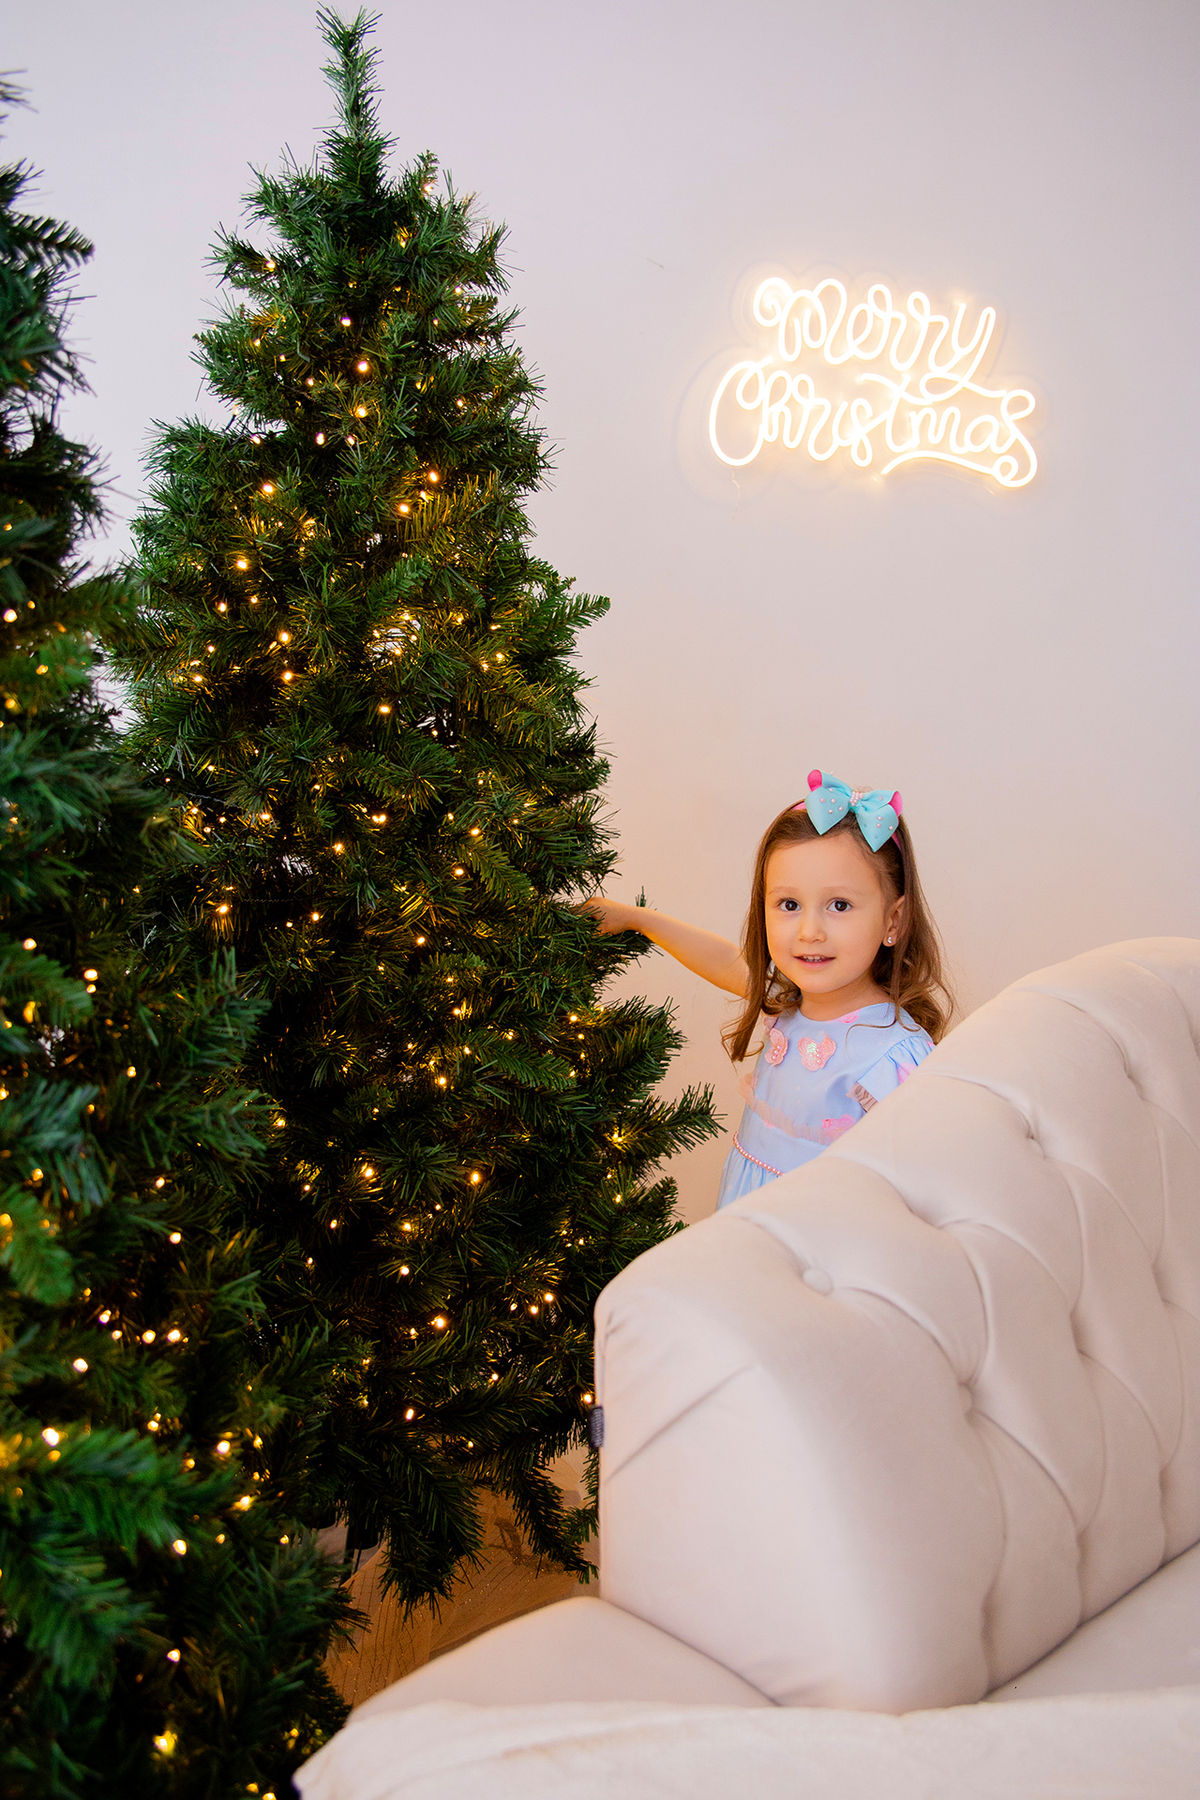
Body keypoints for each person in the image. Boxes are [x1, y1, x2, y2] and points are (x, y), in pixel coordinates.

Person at [583, 771, 953, 1207]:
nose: (809, 931)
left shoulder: (892, 1054)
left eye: (839, 905)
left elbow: (919, 1186)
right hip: (743, 1218)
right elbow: (725, 960)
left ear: (894, 921)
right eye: (789, 905)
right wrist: (636, 918)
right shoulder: (789, 1003)